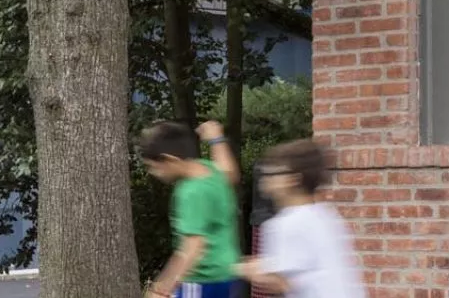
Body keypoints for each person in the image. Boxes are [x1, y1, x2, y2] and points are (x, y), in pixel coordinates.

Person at [238, 138, 363, 298]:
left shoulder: (287, 223)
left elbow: (279, 282)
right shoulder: (326, 216)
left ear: (293, 179)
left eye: (273, 173)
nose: (265, 178)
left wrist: (238, 268)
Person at [140, 119, 243, 298]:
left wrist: (162, 288)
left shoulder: (190, 192)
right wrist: (216, 140)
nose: (153, 173)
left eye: (154, 167)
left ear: (170, 159)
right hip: (226, 274)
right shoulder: (210, 170)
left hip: (201, 280)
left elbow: (193, 247)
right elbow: (230, 173)